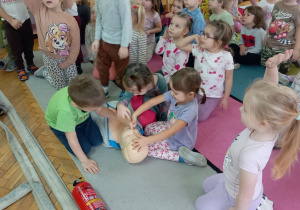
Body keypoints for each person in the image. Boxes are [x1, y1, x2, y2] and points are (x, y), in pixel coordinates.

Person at [195, 49, 300, 210]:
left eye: (246, 109)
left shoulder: (251, 156)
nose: (240, 109)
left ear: (263, 123)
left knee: (201, 205)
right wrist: (271, 67)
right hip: (231, 178)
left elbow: (245, 194)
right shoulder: (267, 127)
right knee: (205, 185)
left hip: (237, 195)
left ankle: (259, 205)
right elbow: (268, 91)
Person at [130, 68, 207, 167]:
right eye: (172, 90)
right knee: (148, 128)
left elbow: (170, 132)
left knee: (147, 150)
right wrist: (135, 114)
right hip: (169, 128)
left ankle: (182, 157)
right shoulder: (176, 95)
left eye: (175, 92)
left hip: (180, 142)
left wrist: (146, 141)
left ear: (190, 95)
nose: (171, 93)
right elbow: (152, 102)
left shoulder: (190, 111)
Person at [45, 74, 116, 174]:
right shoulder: (66, 111)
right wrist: (84, 161)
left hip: (82, 119)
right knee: (85, 149)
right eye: (92, 109)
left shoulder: (87, 98)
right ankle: (61, 134)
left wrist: (115, 115)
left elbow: (100, 111)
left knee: (97, 141)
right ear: (76, 105)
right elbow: (72, 138)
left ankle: (83, 121)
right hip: (60, 126)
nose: (95, 109)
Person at [176, 20, 234, 122]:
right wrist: (194, 36)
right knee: (181, 106)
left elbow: (229, 78)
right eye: (203, 33)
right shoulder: (199, 49)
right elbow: (179, 45)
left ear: (218, 42)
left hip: (212, 95)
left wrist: (225, 98)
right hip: (195, 89)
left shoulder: (226, 56)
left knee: (200, 117)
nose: (202, 37)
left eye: (207, 35)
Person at [23, 0, 80, 90]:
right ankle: (45, 73)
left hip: (68, 58)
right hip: (49, 59)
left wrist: (69, 61)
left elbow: (75, 45)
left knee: (74, 85)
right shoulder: (39, 10)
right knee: (60, 86)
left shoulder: (70, 19)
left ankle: (45, 72)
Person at [92, 0, 132, 96]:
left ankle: (125, 91)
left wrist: (124, 45)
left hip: (119, 43)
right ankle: (104, 88)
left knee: (122, 70)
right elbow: (99, 19)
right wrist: (97, 39)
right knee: (101, 67)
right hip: (104, 40)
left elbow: (126, 22)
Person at [117, 63, 168, 128]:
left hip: (153, 101)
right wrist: (120, 105)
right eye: (133, 91)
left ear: (147, 83)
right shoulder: (135, 84)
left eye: (137, 92)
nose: (134, 94)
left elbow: (163, 104)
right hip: (142, 98)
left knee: (145, 121)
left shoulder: (161, 82)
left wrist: (163, 120)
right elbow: (127, 96)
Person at [0, 0, 38, 81]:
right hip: (9, 22)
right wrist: (10, 20)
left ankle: (30, 63)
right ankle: (20, 68)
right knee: (15, 47)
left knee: (29, 43)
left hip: (25, 19)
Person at [260, 0, 300, 74]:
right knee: (264, 64)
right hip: (271, 43)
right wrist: (267, 36)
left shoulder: (297, 10)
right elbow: (273, 21)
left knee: (281, 70)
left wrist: (297, 49)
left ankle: (292, 57)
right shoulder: (277, 4)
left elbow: (298, 30)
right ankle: (292, 58)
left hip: (285, 47)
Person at [155, 12, 191, 83]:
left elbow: (178, 71)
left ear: (185, 32)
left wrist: (164, 80)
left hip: (174, 78)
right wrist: (164, 38)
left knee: (153, 86)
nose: (171, 27)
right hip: (164, 72)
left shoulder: (182, 49)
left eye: (177, 26)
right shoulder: (169, 39)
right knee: (149, 79)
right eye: (171, 23)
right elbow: (158, 51)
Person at [181, 0, 206, 67]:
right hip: (180, 42)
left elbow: (196, 38)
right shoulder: (183, 11)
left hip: (190, 48)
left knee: (188, 68)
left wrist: (183, 44)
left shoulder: (198, 18)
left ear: (198, 1)